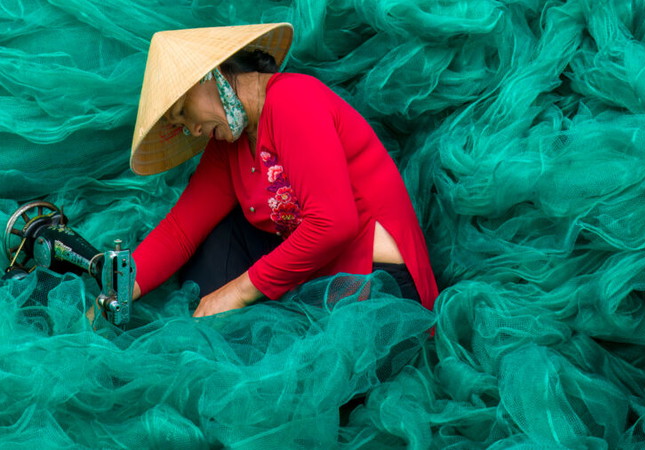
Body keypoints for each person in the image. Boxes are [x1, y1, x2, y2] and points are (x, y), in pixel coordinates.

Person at [128, 22, 440, 317]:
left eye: (185, 112)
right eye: (182, 126)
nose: (194, 130)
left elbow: (333, 224)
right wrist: (115, 289)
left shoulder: (292, 99)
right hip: (320, 278)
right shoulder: (227, 144)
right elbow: (180, 231)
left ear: (211, 75)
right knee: (219, 235)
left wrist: (237, 291)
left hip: (374, 286)